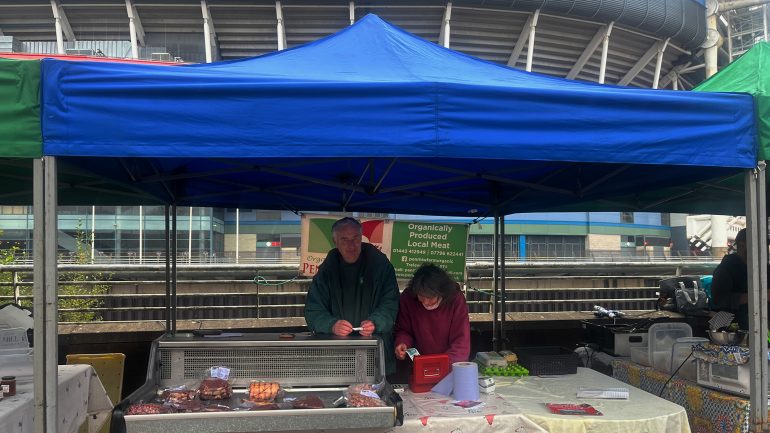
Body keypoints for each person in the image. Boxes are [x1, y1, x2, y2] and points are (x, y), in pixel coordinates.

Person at [304, 217, 400, 374]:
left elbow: (390, 303)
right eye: (344, 239)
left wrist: (376, 322)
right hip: (336, 357)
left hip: (375, 353)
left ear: (361, 238)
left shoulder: (381, 266)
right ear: (335, 242)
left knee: (374, 397)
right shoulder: (327, 271)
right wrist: (332, 325)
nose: (351, 245)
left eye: (355, 238)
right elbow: (313, 310)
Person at [393, 263, 470, 365]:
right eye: (421, 296)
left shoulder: (455, 299)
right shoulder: (408, 297)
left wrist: (440, 364)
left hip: (450, 364)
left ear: (441, 292)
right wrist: (402, 343)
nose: (425, 302)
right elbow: (403, 330)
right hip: (417, 364)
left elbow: (461, 342)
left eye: (430, 297)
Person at [711, 228, 770, 330]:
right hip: (731, 327)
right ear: (742, 245)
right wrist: (758, 296)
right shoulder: (726, 268)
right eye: (759, 244)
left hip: (761, 324)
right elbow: (719, 299)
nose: (763, 249)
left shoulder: (764, 267)